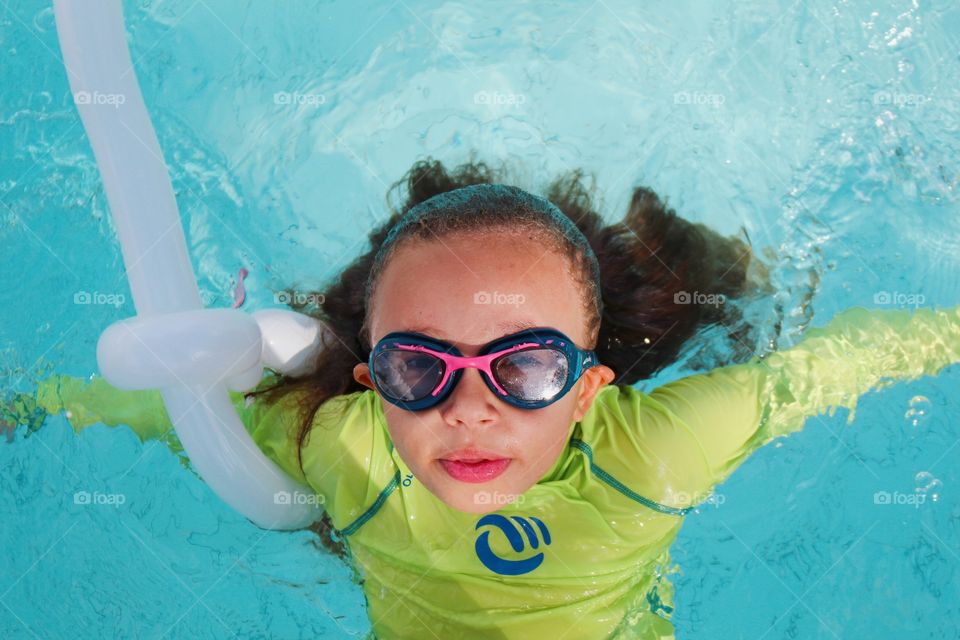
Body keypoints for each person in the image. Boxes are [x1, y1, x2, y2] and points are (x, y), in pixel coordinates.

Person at [17, 158, 960, 639]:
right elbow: (163, 406)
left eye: (525, 368)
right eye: (420, 370)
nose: (468, 411)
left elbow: (834, 364)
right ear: (367, 381)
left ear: (589, 391)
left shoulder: (654, 452)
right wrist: (25, 403)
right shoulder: (344, 449)